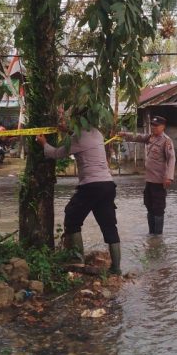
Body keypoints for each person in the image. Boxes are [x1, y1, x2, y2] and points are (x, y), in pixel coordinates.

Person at [36, 113, 121, 275]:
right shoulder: (97, 133)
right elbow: (81, 137)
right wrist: (68, 130)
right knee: (109, 225)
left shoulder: (78, 138)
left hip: (91, 185)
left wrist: (44, 143)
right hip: (108, 185)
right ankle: (116, 269)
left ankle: (78, 260)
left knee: (72, 217)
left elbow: (56, 153)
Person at [118, 115, 176, 235]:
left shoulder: (166, 141)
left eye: (156, 126)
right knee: (149, 206)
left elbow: (171, 159)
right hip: (149, 180)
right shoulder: (150, 137)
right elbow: (138, 137)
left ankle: (158, 236)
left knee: (158, 208)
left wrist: (169, 177)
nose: (153, 128)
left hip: (159, 181)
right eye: (152, 125)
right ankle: (151, 234)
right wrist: (125, 134)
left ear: (163, 127)